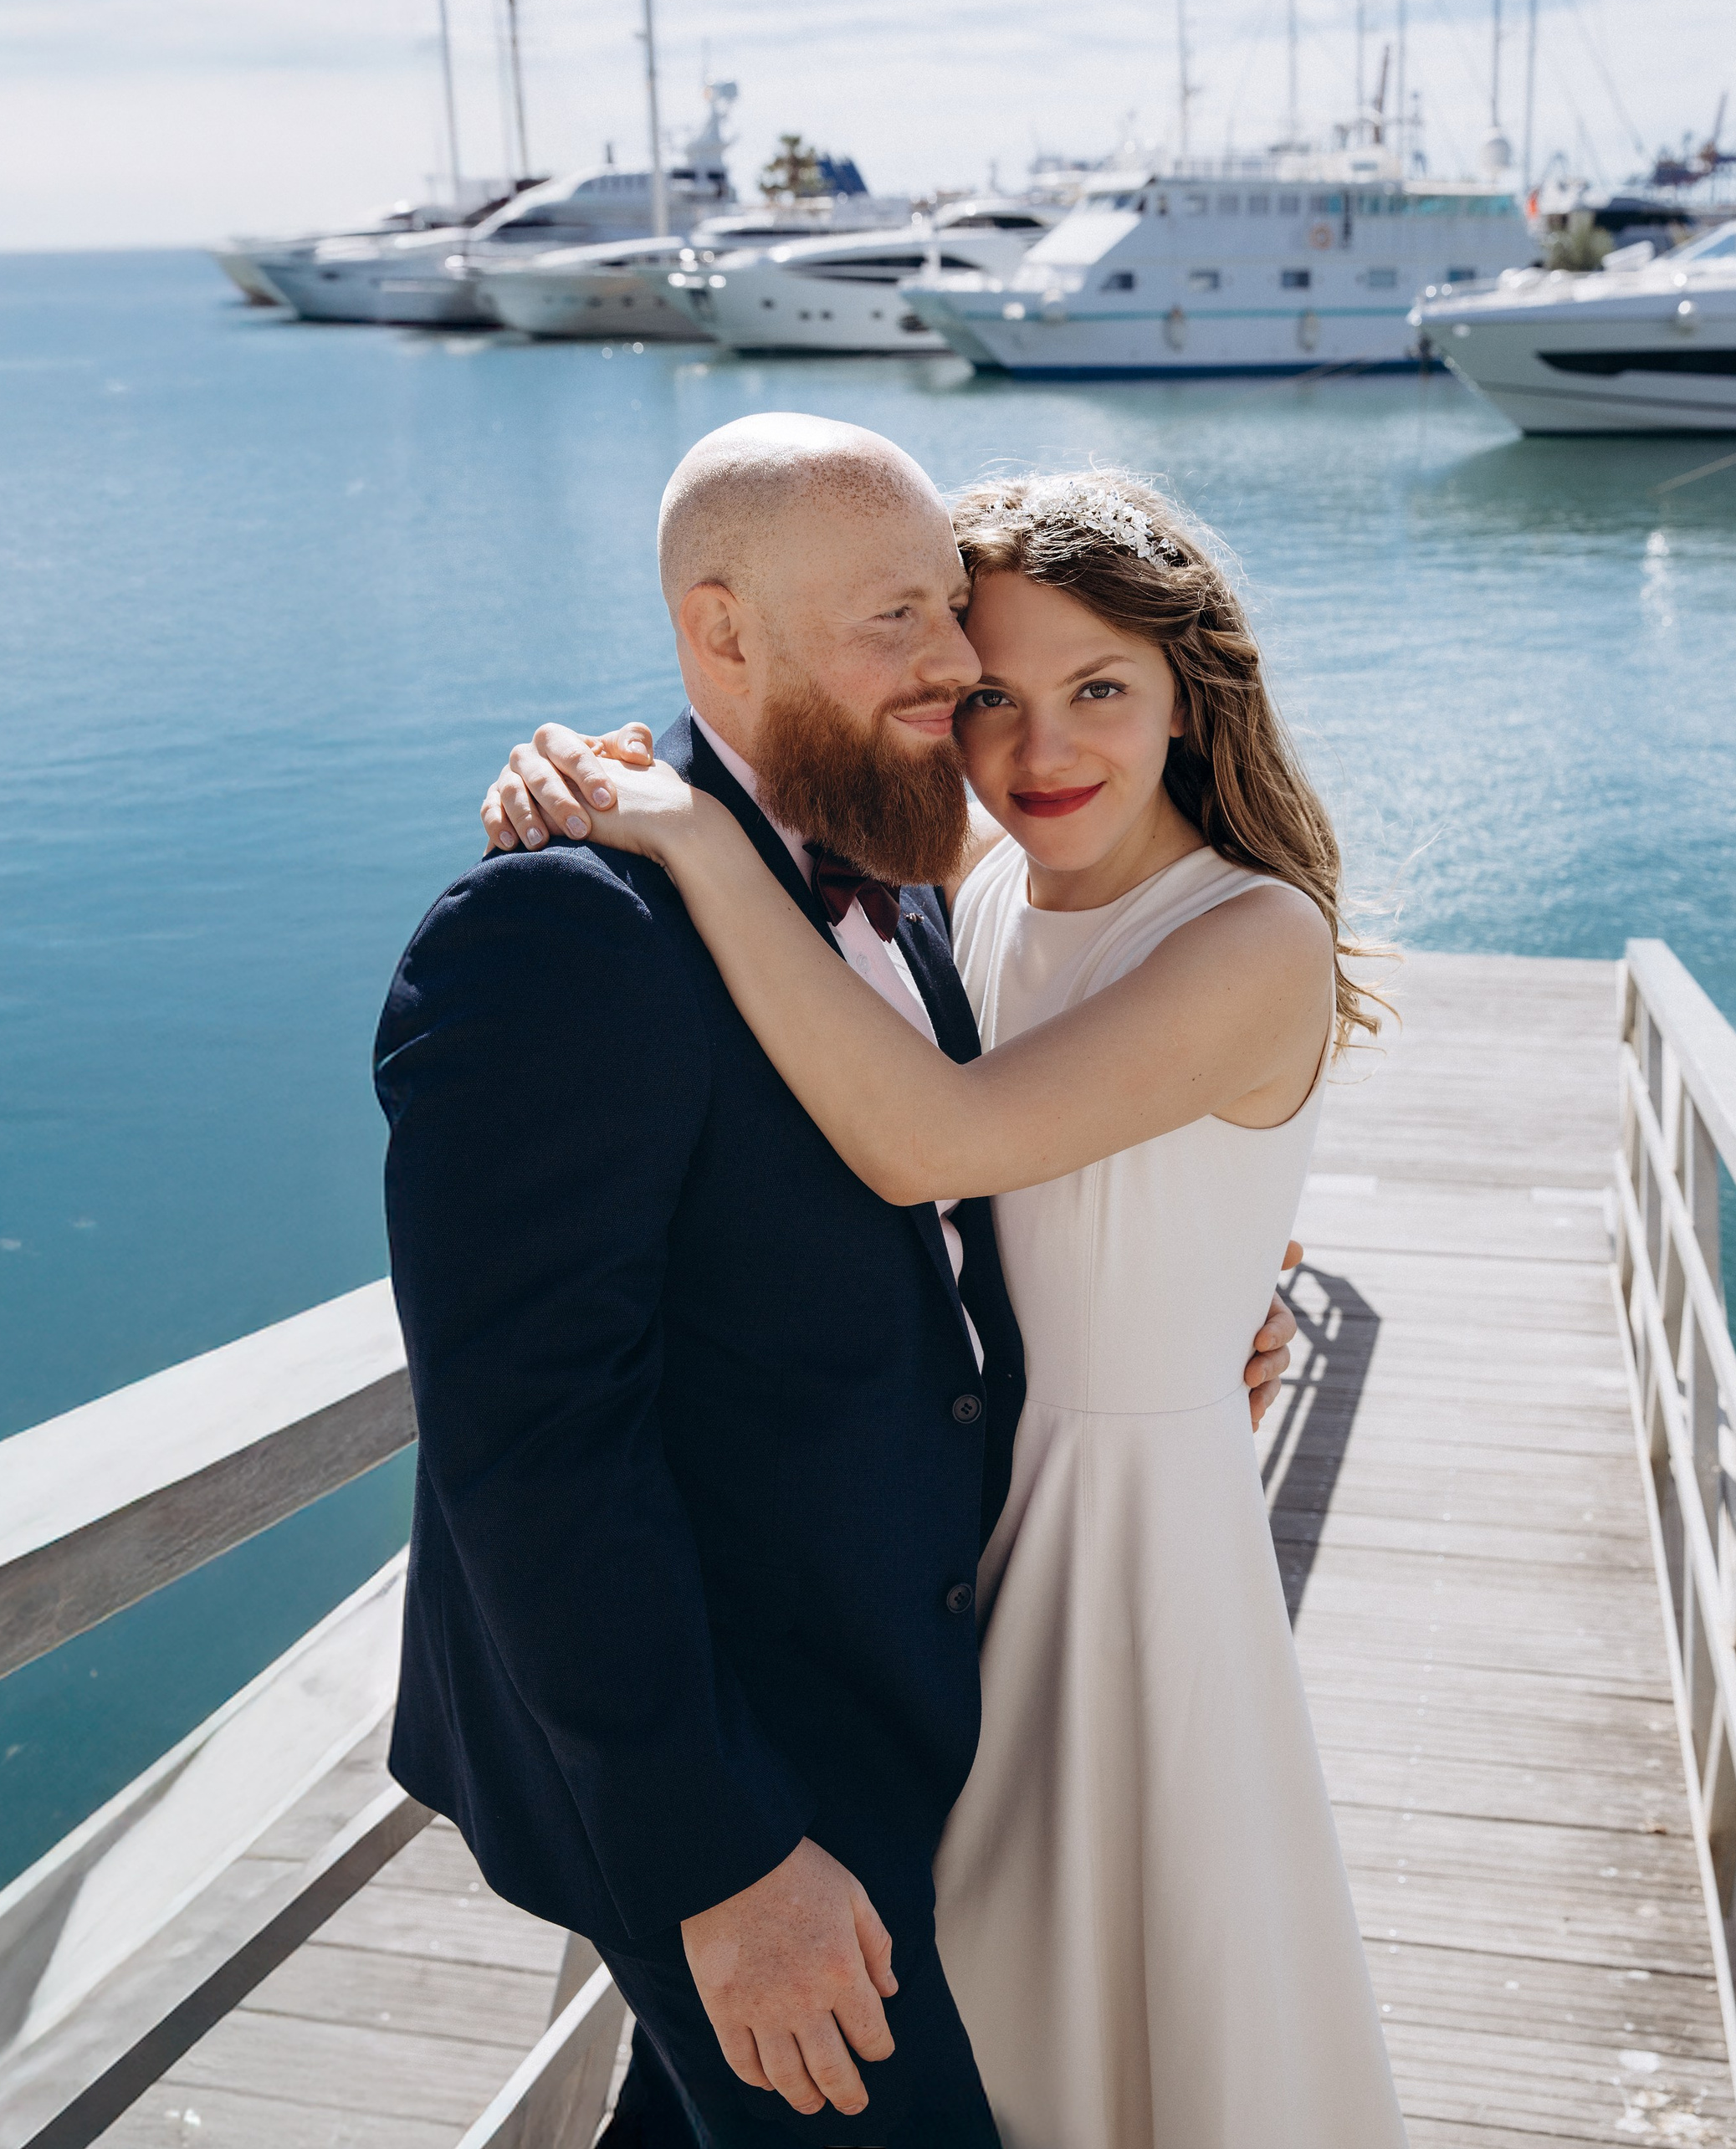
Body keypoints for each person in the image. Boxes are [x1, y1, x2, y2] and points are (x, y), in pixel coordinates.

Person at [376, 413, 1295, 2149]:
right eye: (898, 622)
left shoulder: (912, 885)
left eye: (950, 612)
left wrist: (1177, 1303)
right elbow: (532, 1450)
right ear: (722, 631)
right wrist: (720, 1862)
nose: (957, 669)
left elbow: (944, 1244)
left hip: (927, 1712)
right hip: (740, 1789)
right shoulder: (557, 938)